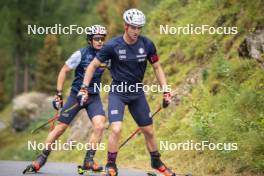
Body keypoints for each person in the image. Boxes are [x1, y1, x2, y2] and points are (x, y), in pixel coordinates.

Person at [78, 9, 175, 176]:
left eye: (139, 28)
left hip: (137, 92)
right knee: (115, 129)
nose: (136, 31)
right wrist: (84, 88)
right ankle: (111, 165)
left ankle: (156, 162)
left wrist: (165, 90)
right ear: (125, 26)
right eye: (133, 27)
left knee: (149, 131)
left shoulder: (147, 44)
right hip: (118, 92)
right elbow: (93, 65)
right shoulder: (112, 46)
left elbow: (157, 67)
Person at [24, 25, 108, 173]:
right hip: (76, 96)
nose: (100, 41)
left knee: (100, 126)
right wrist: (59, 94)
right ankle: (41, 158)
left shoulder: (106, 56)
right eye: (97, 39)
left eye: (102, 38)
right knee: (60, 128)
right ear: (90, 40)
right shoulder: (80, 54)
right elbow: (64, 70)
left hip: (93, 97)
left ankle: (88, 161)